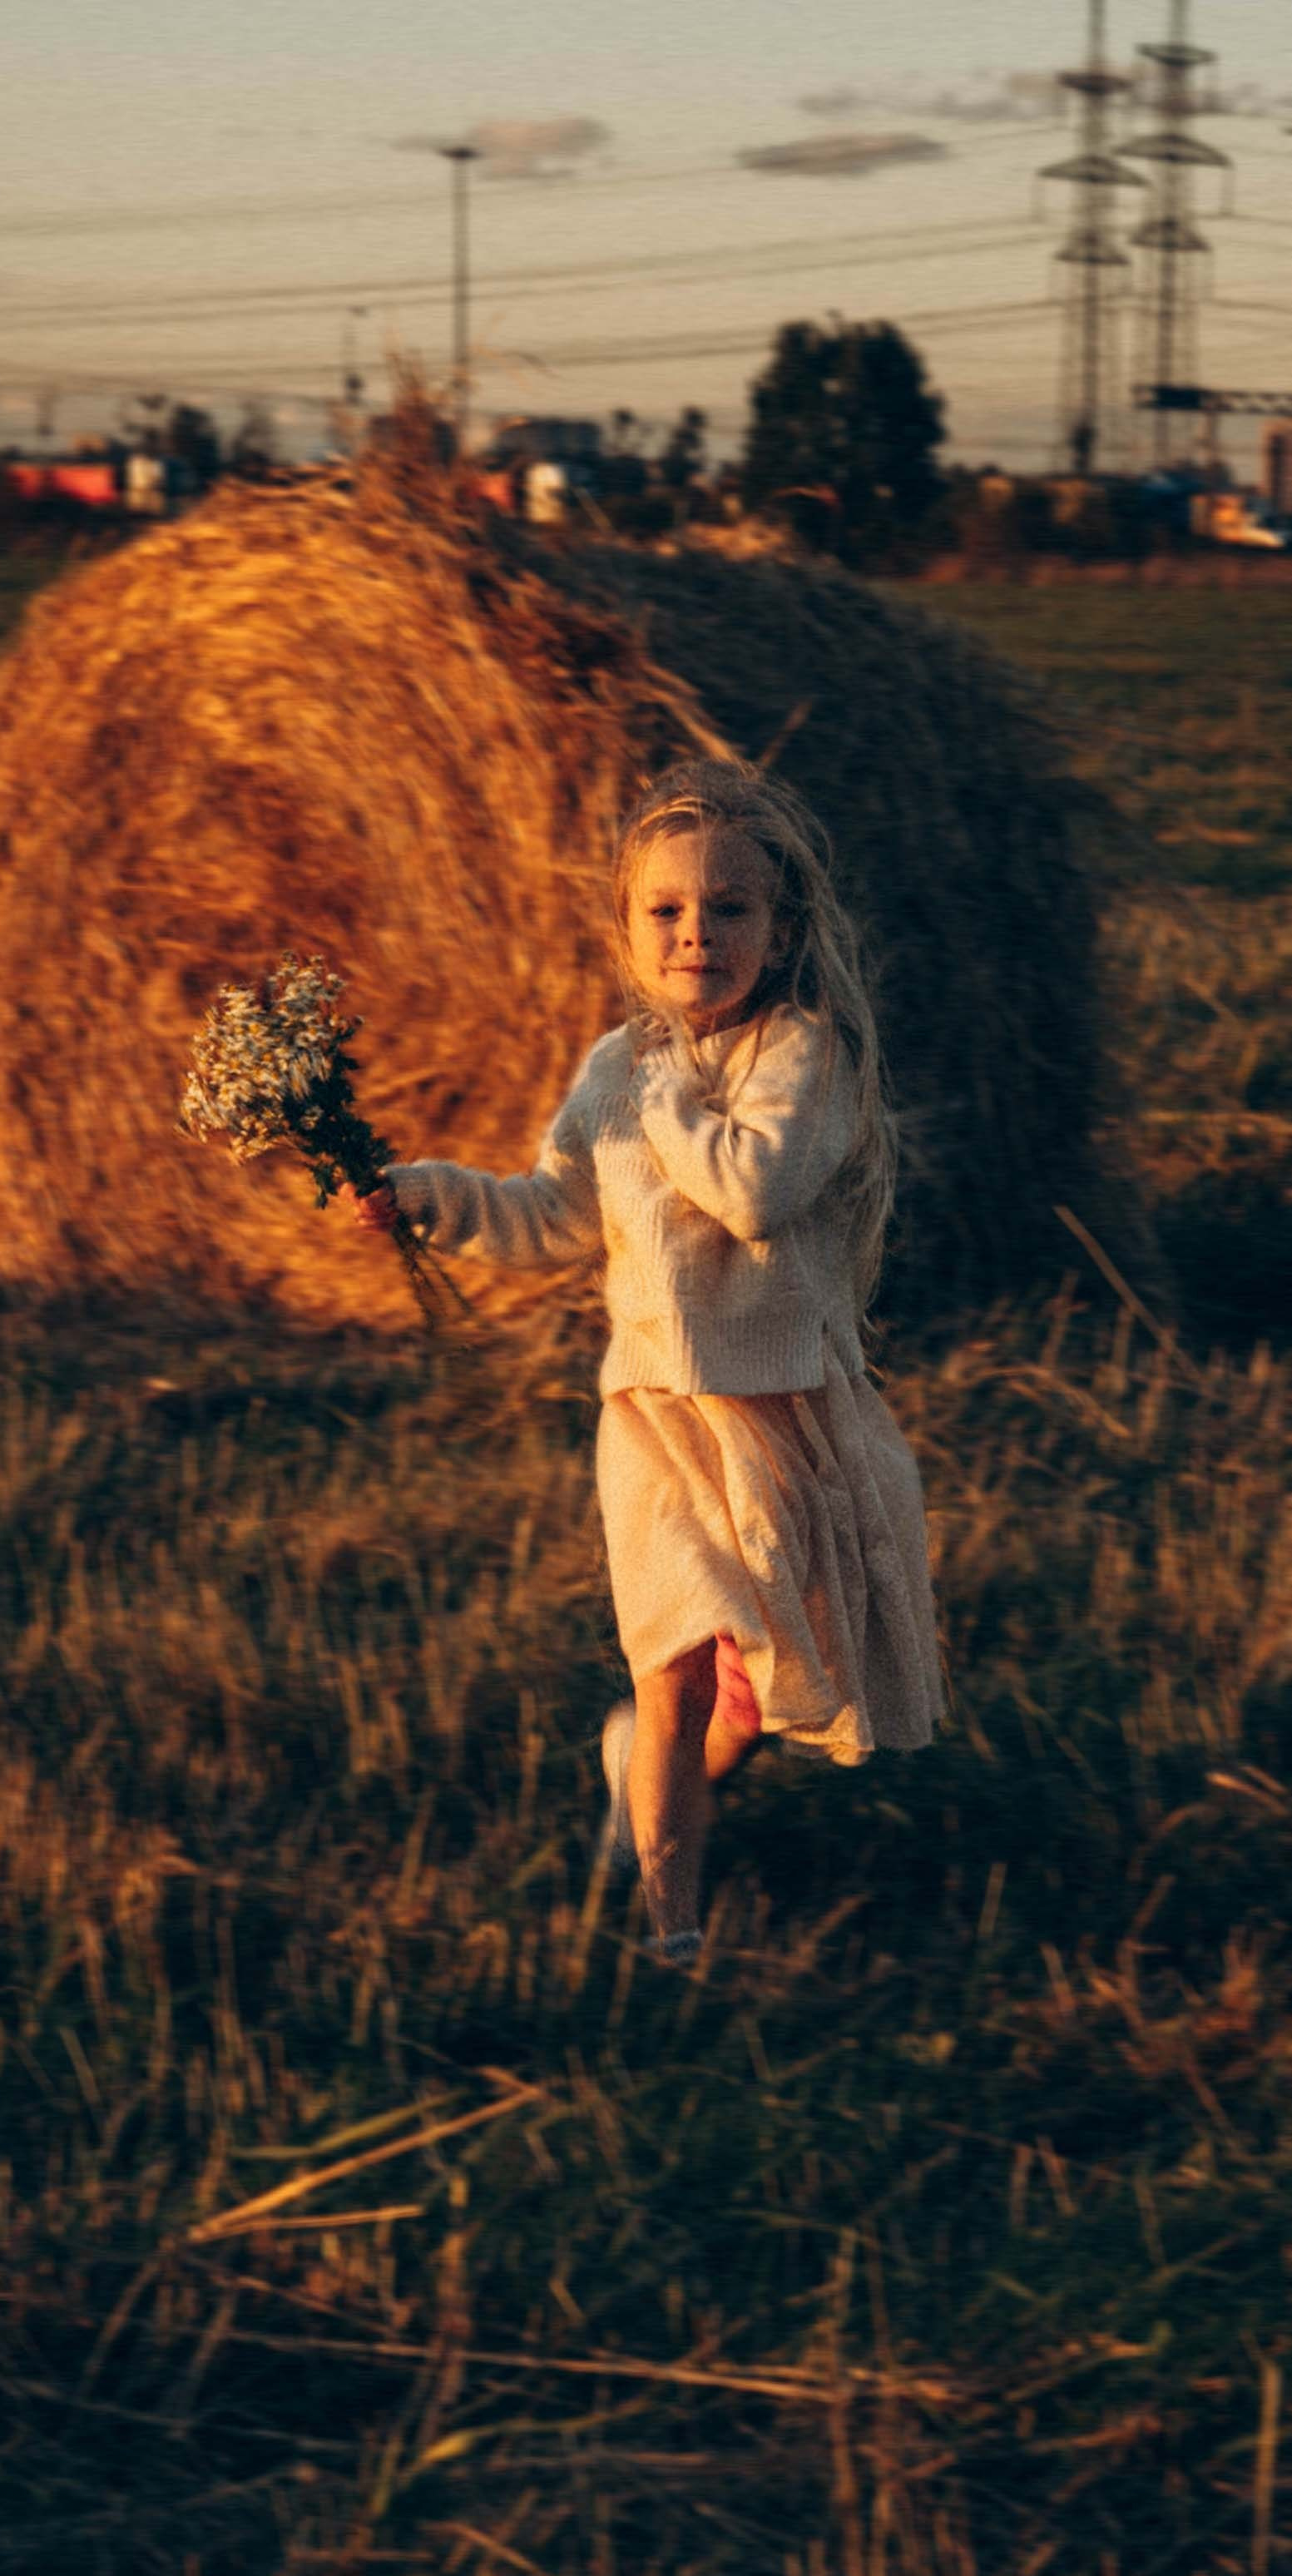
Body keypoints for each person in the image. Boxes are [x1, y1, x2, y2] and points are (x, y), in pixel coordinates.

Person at [350, 756, 945, 1966]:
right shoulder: (612, 1070)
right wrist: (431, 1197)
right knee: (671, 1665)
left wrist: (663, 1075)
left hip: (776, 1416)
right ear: (627, 929)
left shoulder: (804, 1056)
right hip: (652, 1418)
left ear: (779, 933)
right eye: (665, 910)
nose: (695, 934)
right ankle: (666, 1942)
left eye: (729, 908)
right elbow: (554, 1216)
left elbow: (753, 1193)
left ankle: (644, 1761)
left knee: (767, 1681)